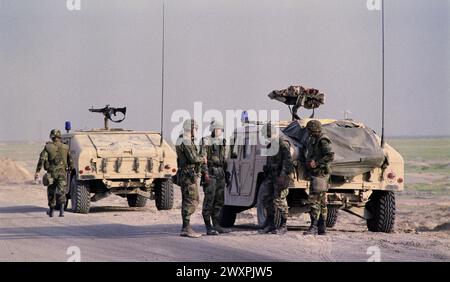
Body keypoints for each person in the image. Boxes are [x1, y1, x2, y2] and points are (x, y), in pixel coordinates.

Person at [258, 123, 294, 234]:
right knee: (266, 199)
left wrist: (283, 176)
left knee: (280, 201)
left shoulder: (283, 144)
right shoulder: (270, 145)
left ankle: (283, 225)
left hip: (280, 177)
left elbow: (287, 162)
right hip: (271, 177)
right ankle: (271, 224)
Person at [302, 120, 334, 235]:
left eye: (310, 130)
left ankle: (314, 226)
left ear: (314, 129)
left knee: (314, 200)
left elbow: (330, 155)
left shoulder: (322, 139)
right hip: (318, 174)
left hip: (320, 174)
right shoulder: (315, 139)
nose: (309, 133)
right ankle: (322, 228)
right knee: (321, 201)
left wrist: (317, 163)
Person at [175, 119, 206, 238]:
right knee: (192, 200)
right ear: (191, 129)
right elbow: (193, 158)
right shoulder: (186, 141)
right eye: (195, 128)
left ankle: (185, 227)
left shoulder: (183, 139)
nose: (196, 131)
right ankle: (186, 228)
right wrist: (202, 158)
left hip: (186, 174)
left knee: (188, 199)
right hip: (188, 175)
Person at [199, 120, 231, 235]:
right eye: (217, 129)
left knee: (219, 201)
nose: (218, 131)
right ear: (212, 129)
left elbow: (224, 159)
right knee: (209, 201)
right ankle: (208, 227)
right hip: (211, 174)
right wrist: (205, 173)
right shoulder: (206, 141)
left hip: (220, 174)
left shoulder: (222, 142)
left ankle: (216, 225)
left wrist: (226, 174)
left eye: (220, 129)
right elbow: (203, 159)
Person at [35, 129, 73, 218]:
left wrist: (37, 171)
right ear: (59, 137)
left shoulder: (48, 147)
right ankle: (62, 212)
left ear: (52, 136)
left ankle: (51, 211)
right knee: (62, 191)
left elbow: (42, 159)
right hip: (62, 174)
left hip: (51, 173)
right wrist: (70, 168)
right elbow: (70, 161)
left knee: (51, 192)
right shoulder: (66, 147)